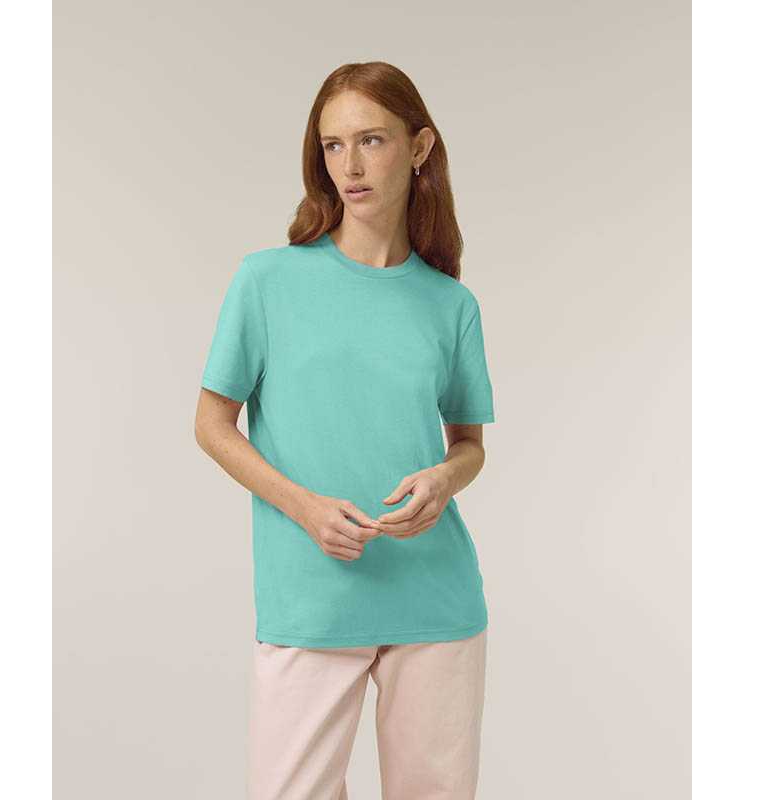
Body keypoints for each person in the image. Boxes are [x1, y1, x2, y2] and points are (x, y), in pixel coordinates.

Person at [194, 61, 496, 799]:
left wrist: (442, 479)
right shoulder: (267, 281)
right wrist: (304, 508)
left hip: (436, 601)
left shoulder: (449, 304)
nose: (350, 166)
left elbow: (469, 447)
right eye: (333, 145)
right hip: (311, 599)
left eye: (371, 140)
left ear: (419, 147)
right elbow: (211, 424)